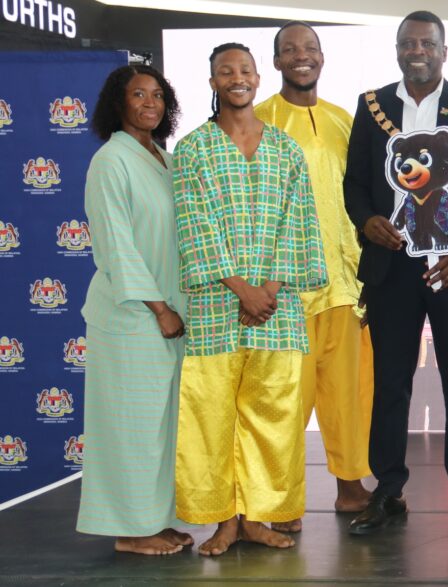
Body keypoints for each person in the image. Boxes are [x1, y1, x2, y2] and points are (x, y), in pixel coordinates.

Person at [343, 11, 448, 535]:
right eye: (408, 43)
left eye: (427, 44)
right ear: (396, 50)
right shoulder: (372, 106)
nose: (418, 51)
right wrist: (367, 220)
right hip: (392, 266)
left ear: (443, 51)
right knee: (390, 380)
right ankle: (388, 489)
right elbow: (355, 182)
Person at [173, 42, 327, 556]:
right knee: (212, 418)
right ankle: (224, 522)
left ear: (259, 79)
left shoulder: (285, 149)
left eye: (245, 70)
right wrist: (241, 288)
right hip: (216, 307)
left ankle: (259, 518)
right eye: (225, 71)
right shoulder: (193, 149)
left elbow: (299, 223)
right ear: (212, 82)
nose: (236, 78)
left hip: (276, 309)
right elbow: (195, 225)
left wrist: (269, 290)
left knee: (272, 415)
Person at [255, 21, 374, 534]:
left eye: (310, 48)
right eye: (289, 49)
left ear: (322, 57)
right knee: (283, 399)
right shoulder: (258, 120)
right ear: (276, 62)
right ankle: (277, 501)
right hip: (283, 288)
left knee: (348, 394)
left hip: (344, 282)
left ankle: (351, 486)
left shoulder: (344, 120)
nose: (301, 56)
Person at [76, 64, 194, 556]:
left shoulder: (165, 159)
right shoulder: (110, 160)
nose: (150, 103)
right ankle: (129, 531)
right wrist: (159, 308)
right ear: (117, 102)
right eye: (139, 94)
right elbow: (116, 246)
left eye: (158, 95)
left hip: (172, 316)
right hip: (133, 316)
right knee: (131, 427)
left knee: (161, 429)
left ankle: (154, 520)